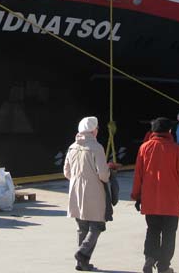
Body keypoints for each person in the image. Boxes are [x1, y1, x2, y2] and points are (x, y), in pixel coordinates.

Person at [132, 117, 179, 273]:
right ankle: (163, 266)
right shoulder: (176, 149)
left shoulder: (144, 148)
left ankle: (149, 258)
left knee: (152, 230)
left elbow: (138, 174)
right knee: (169, 234)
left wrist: (136, 196)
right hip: (171, 202)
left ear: (153, 131)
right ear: (170, 131)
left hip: (150, 200)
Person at [64, 116, 110, 271]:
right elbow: (103, 174)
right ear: (93, 131)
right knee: (97, 226)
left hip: (75, 192)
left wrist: (78, 179)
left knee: (82, 227)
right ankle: (82, 253)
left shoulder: (72, 147)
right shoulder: (96, 148)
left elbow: (66, 172)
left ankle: (81, 263)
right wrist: (108, 173)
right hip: (94, 192)